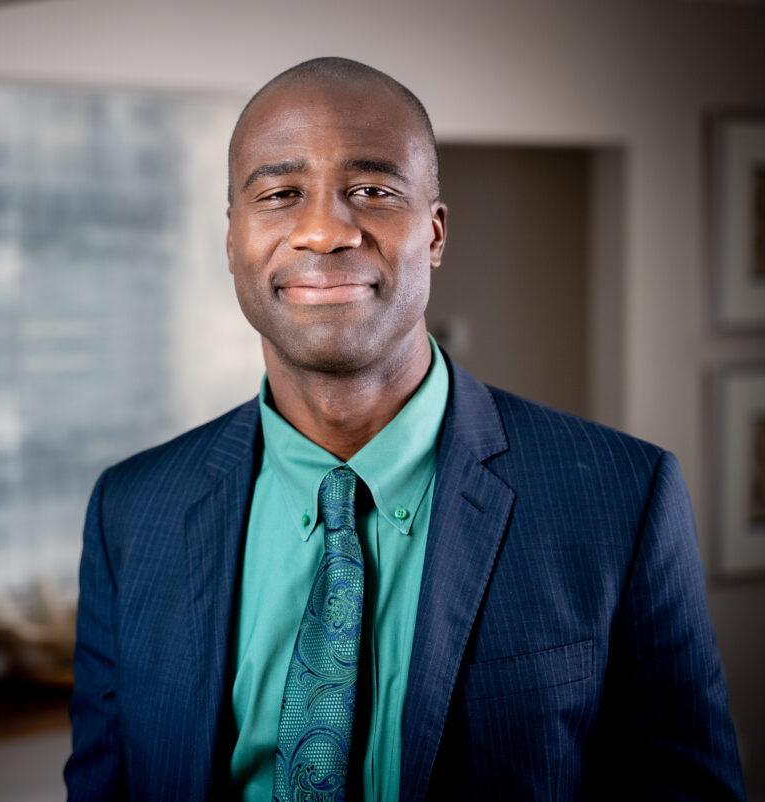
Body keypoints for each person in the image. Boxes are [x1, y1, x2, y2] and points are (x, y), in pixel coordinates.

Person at [63, 57, 745, 802]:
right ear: (233, 240)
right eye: (281, 193)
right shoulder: (131, 512)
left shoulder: (623, 498)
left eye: (373, 191)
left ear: (436, 233)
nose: (324, 231)